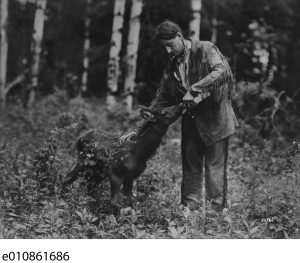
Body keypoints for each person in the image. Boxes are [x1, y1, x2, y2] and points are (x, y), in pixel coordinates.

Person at [120, 20, 238, 211]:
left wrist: (195, 88)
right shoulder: (171, 66)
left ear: (180, 37)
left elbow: (222, 71)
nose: (168, 51)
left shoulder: (206, 49)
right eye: (164, 47)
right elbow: (160, 100)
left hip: (217, 121)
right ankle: (188, 217)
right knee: (190, 169)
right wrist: (138, 129)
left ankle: (216, 222)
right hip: (191, 123)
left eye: (170, 44)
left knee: (214, 171)